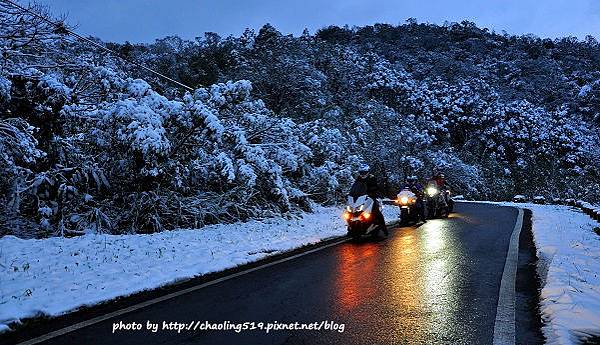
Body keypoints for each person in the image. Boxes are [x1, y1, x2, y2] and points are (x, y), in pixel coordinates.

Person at [349, 164, 388, 236]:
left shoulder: (372, 178)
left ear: (368, 172)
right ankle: (351, 228)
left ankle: (383, 228)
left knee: (376, 212)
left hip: (371, 197)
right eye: (361, 172)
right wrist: (351, 194)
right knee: (349, 212)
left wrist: (374, 190)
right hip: (361, 198)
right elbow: (355, 188)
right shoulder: (358, 179)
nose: (363, 174)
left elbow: (376, 186)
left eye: (364, 172)